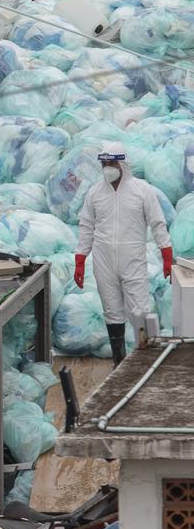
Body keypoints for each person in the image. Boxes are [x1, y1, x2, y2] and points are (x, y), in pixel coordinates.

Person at [75, 142, 172, 365]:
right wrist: (80, 258)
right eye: (104, 163)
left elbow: (158, 223)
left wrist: (166, 253)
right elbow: (86, 225)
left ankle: (144, 359)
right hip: (103, 259)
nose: (108, 167)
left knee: (139, 310)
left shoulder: (142, 191)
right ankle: (119, 361)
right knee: (112, 310)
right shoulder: (95, 192)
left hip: (133, 257)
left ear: (123, 163)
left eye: (112, 162)